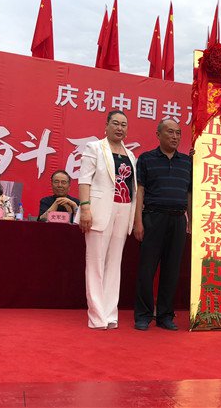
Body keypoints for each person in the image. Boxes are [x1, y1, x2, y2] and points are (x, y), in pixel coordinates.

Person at [78, 110, 137, 330]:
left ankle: (110, 314)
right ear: (107, 125)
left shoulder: (130, 155)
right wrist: (85, 208)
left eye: (124, 124)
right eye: (116, 123)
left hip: (124, 208)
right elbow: (84, 180)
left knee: (114, 264)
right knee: (96, 263)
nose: (120, 128)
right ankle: (96, 316)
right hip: (99, 209)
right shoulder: (94, 147)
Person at [133, 119, 192, 331]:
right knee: (147, 269)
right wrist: (138, 221)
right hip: (153, 218)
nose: (175, 136)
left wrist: (191, 221)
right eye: (170, 132)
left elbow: (189, 193)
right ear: (158, 135)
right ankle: (143, 315)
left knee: (172, 270)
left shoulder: (187, 162)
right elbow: (140, 191)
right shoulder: (146, 159)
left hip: (178, 220)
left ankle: (165, 315)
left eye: (178, 133)